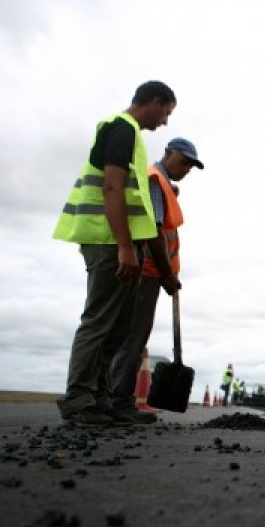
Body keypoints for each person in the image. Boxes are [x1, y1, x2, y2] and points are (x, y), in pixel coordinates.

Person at [54, 80, 179, 428]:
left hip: (123, 244)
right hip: (109, 241)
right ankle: (80, 401)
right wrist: (125, 246)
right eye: (166, 112)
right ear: (155, 102)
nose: (166, 121)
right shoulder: (120, 129)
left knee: (119, 327)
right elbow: (111, 186)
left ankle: (103, 401)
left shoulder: (133, 136)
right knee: (99, 322)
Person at [107, 137, 204, 424]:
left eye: (192, 165)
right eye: (184, 161)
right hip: (146, 272)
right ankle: (119, 403)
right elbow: (155, 232)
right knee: (133, 337)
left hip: (149, 272)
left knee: (131, 335)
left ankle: (113, 400)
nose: (187, 169)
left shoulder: (163, 186)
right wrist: (166, 274)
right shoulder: (154, 180)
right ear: (168, 153)